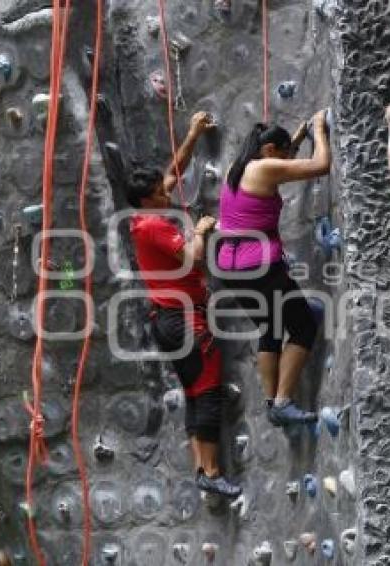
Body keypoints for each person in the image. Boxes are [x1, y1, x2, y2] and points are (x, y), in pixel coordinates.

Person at [127, 111, 241, 498]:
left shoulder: (144, 216)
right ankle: (210, 470)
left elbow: (174, 170)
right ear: (147, 200)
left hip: (169, 318)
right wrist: (203, 232)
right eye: (161, 193)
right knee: (207, 390)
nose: (168, 193)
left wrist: (192, 134)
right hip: (184, 320)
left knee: (195, 391)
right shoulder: (155, 226)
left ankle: (201, 469)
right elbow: (192, 258)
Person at [216, 110, 331, 427]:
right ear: (269, 152)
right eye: (283, 153)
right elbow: (321, 165)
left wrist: (292, 140)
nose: (287, 159)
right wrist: (319, 130)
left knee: (270, 328)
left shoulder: (235, 170)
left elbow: (282, 164)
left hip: (230, 268)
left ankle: (271, 402)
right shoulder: (266, 167)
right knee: (304, 325)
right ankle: (282, 401)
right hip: (260, 267)